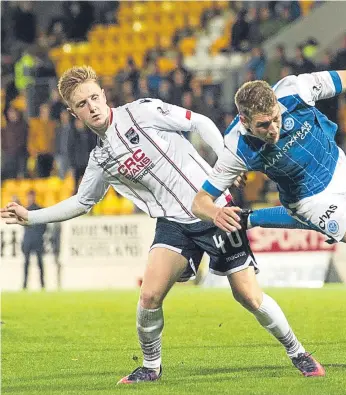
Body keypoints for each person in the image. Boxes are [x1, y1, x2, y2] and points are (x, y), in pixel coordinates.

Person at [1, 66, 325, 383]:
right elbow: (81, 203)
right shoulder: (100, 159)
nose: (92, 107)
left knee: (248, 297)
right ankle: (150, 367)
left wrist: (227, 160)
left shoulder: (142, 111)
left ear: (103, 95)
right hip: (173, 224)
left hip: (214, 210)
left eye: (94, 98)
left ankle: (298, 352)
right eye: (82, 104)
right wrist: (32, 217)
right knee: (149, 296)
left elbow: (199, 121)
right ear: (74, 113)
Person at [192, 43, 346, 317]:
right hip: (308, 199)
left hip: (337, 165)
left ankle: (252, 219)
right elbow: (200, 201)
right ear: (244, 121)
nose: (273, 130)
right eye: (263, 125)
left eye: (276, 119)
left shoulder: (296, 90)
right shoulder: (236, 149)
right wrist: (215, 213)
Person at [22, 190, 47, 290]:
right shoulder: (25, 210)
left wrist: (39, 235)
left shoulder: (38, 210)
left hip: (37, 240)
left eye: (31, 196)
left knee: (40, 263)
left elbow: (44, 226)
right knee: (26, 263)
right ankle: (24, 285)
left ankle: (42, 284)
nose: (30, 199)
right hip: (28, 240)